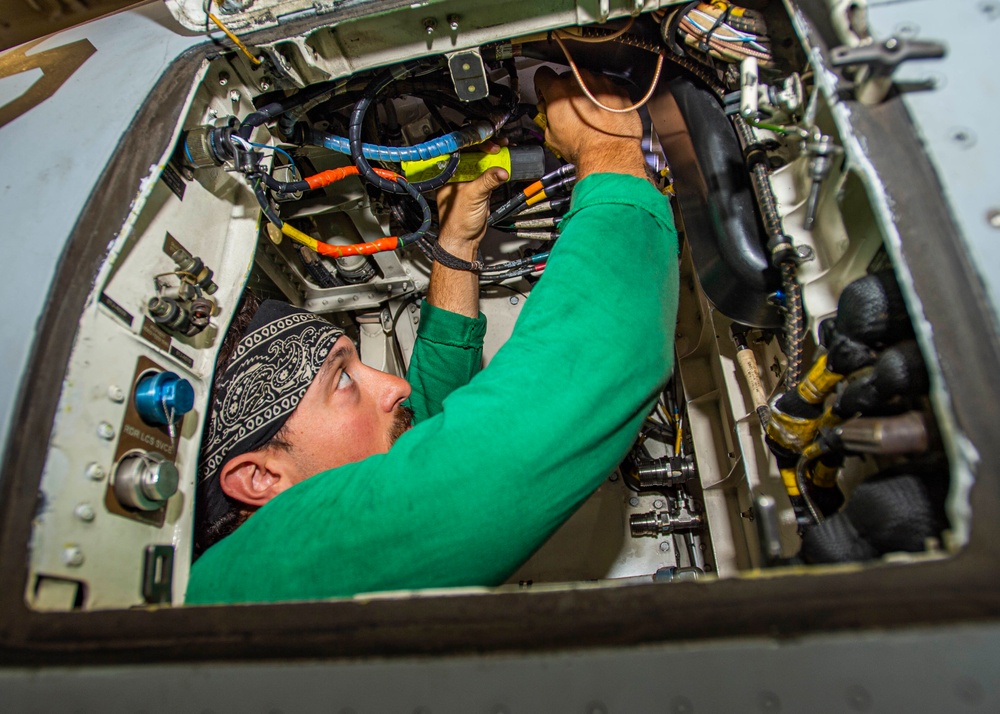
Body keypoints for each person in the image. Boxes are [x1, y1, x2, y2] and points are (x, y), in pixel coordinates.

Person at [185, 68, 679, 604]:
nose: (391, 386)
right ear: (260, 478)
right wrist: (606, 150)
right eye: (342, 381)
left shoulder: (290, 571)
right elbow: (508, 454)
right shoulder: (256, 578)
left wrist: (456, 244)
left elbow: (432, 418)